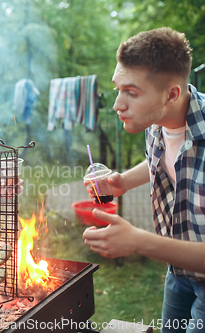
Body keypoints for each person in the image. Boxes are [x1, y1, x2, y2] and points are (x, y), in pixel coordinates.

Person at [83, 28, 205, 331]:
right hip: (177, 273)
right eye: (117, 89)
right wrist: (122, 181)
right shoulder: (156, 120)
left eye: (132, 93)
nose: (117, 105)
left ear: (172, 93)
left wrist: (139, 242)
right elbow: (163, 159)